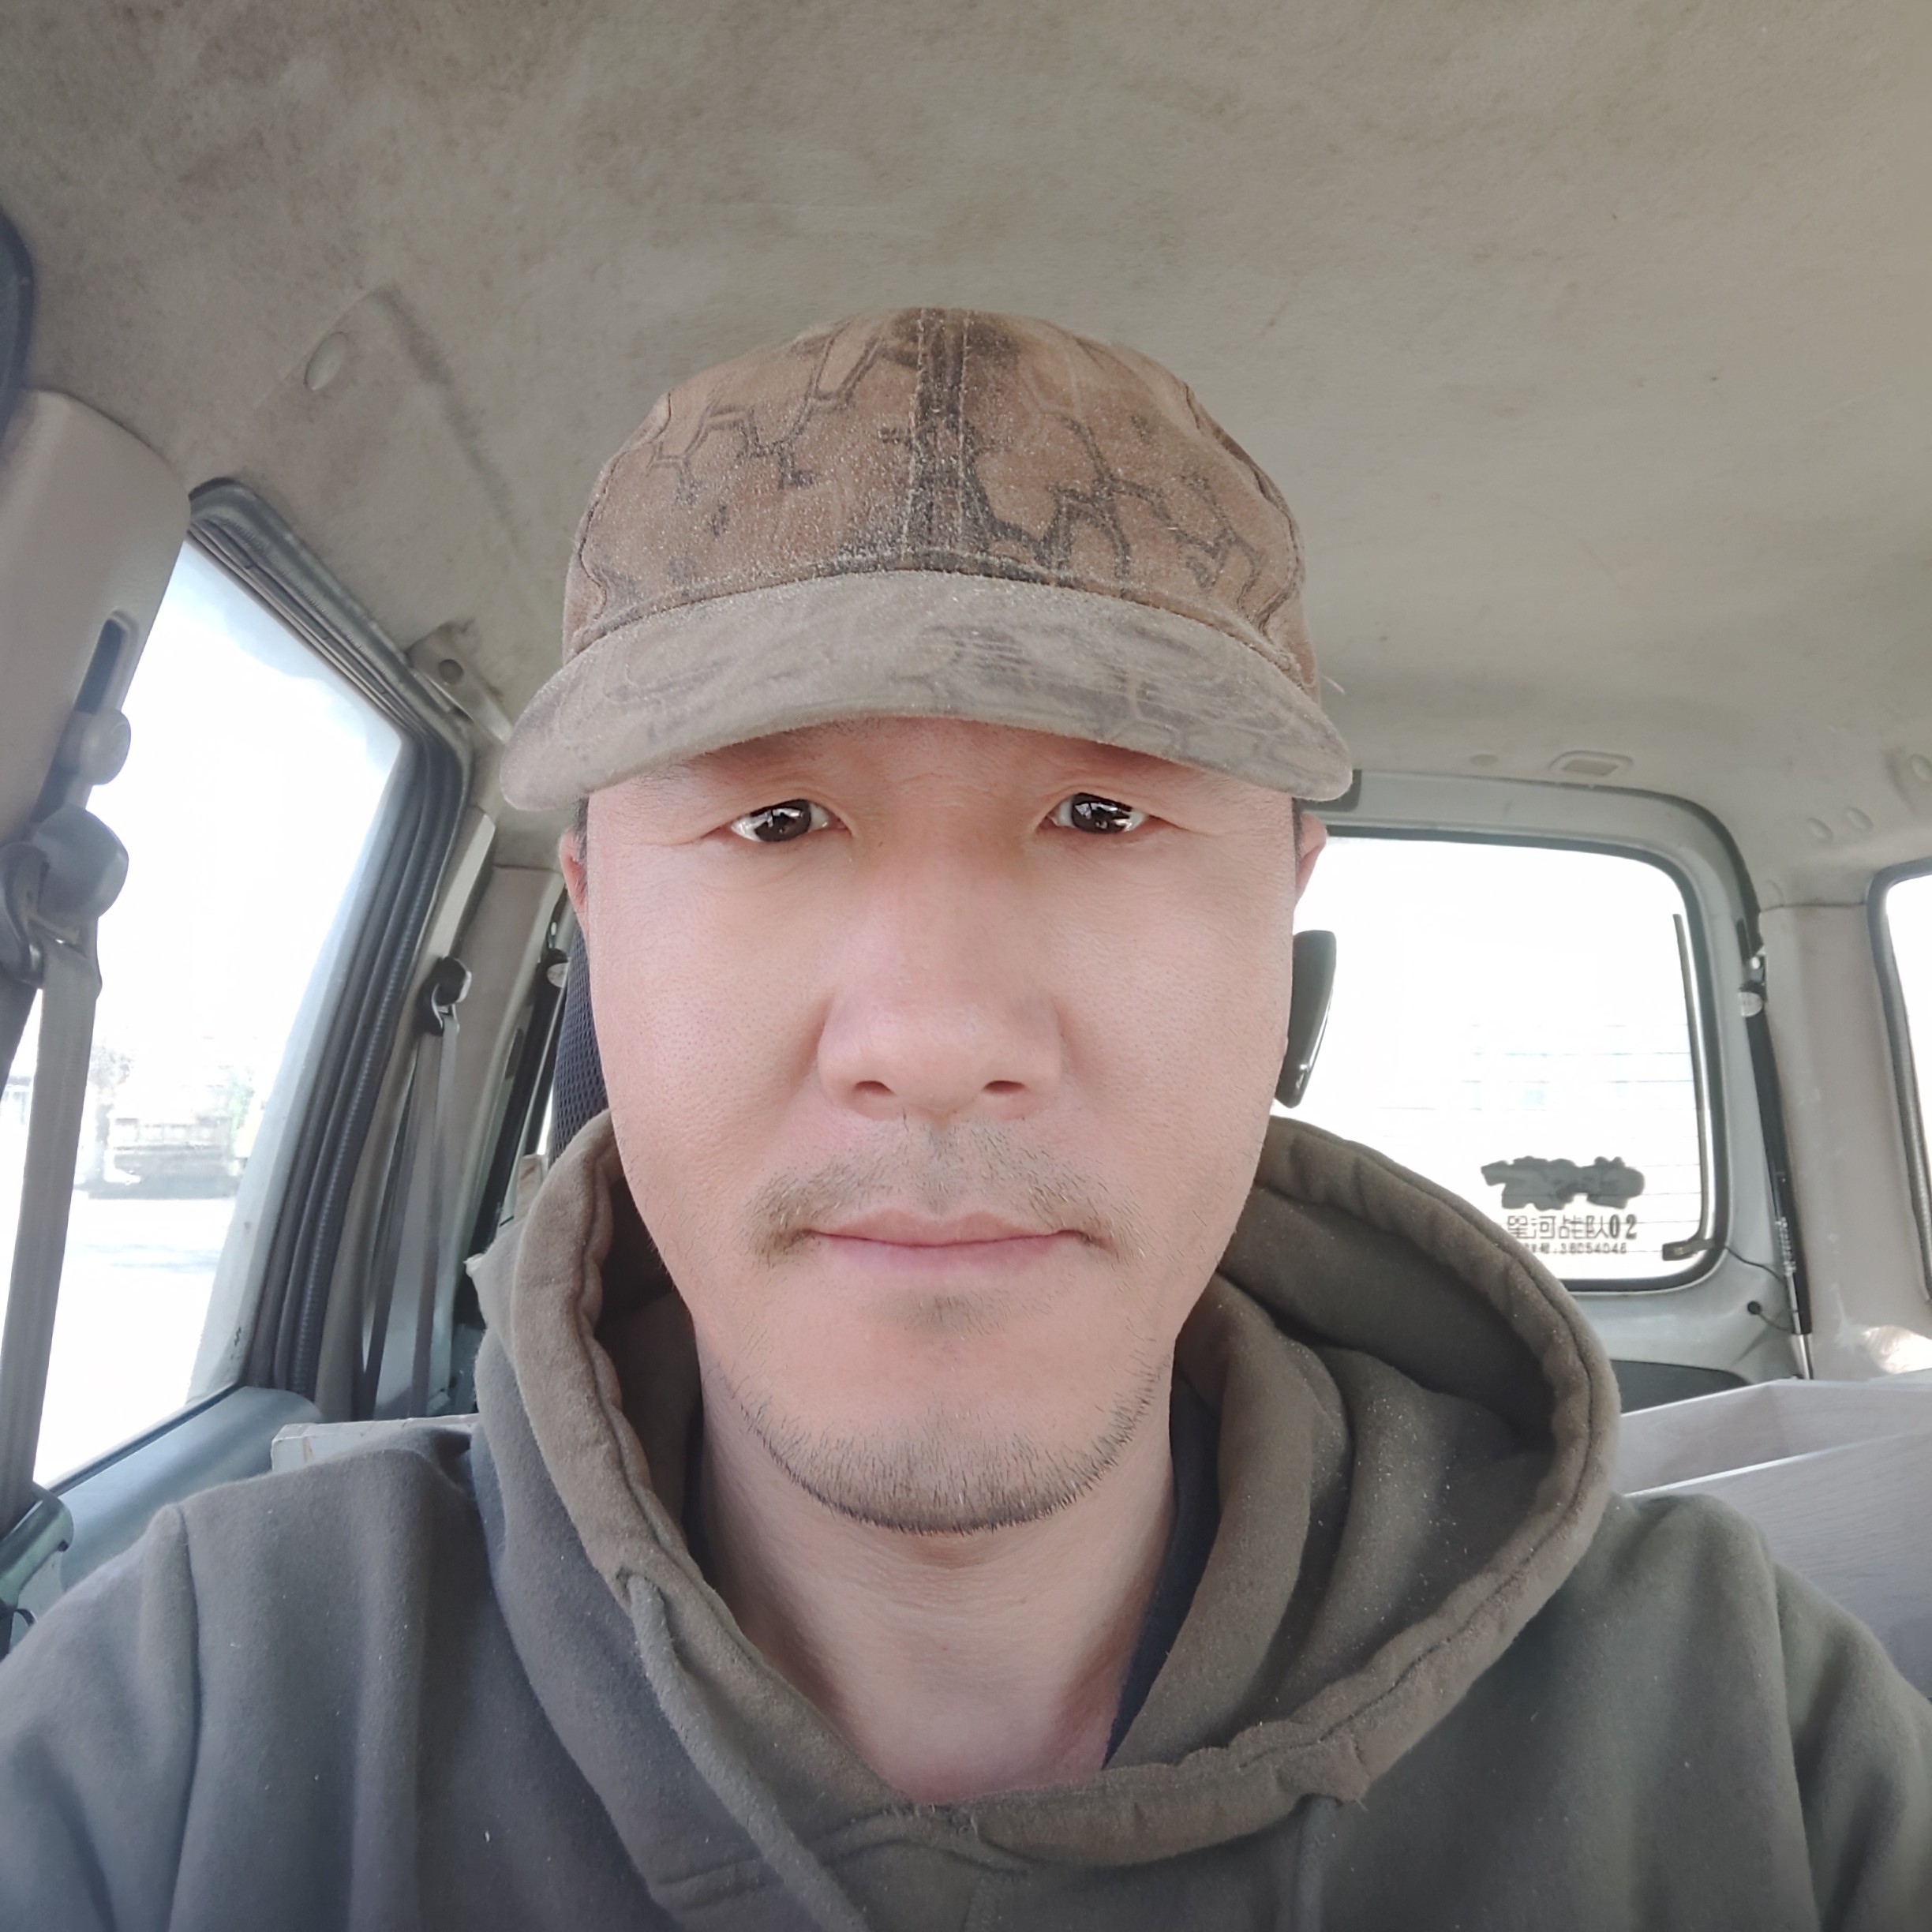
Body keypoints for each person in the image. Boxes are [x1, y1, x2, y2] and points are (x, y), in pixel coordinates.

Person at [1, 308, 1928, 1930]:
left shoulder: (1750, 1733)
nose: (933, 1041)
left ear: (1281, 920)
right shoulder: (189, 1726)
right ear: (596, 925)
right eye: (775, 821)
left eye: (1105, 814)